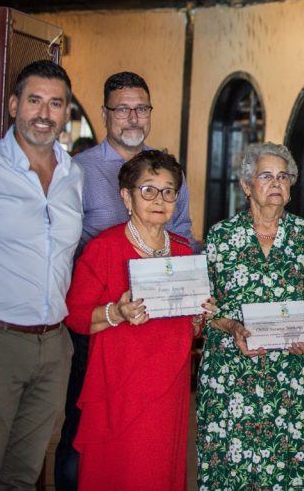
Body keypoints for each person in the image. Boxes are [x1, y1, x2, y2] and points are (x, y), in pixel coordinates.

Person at [56, 71, 194, 491]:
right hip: (101, 326)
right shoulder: (76, 170)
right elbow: (61, 243)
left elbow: (183, 233)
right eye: (123, 109)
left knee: (157, 449)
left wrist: (191, 293)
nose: (133, 117)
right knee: (86, 434)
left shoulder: (167, 169)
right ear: (105, 114)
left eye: (141, 109)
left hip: (162, 325)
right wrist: (112, 308)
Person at [0, 60, 83, 490]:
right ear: (14, 104)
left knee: (24, 474)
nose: (44, 113)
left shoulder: (75, 176)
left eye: (55, 103)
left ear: (66, 112)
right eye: (34, 100)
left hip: (53, 346)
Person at [64, 149, 213, 489]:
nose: (159, 199)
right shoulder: (105, 248)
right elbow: (74, 315)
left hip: (169, 383)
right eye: (148, 189)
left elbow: (191, 323)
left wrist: (200, 315)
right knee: (119, 470)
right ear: (126, 197)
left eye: (168, 190)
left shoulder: (183, 251)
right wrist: (116, 312)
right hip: (120, 382)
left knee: (158, 471)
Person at [196, 142, 304, 490]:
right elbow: (205, 307)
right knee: (232, 470)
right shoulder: (221, 237)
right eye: (266, 176)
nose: (276, 184)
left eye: (283, 177)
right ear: (246, 186)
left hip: (293, 378)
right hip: (232, 377)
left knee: (293, 472)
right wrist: (230, 325)